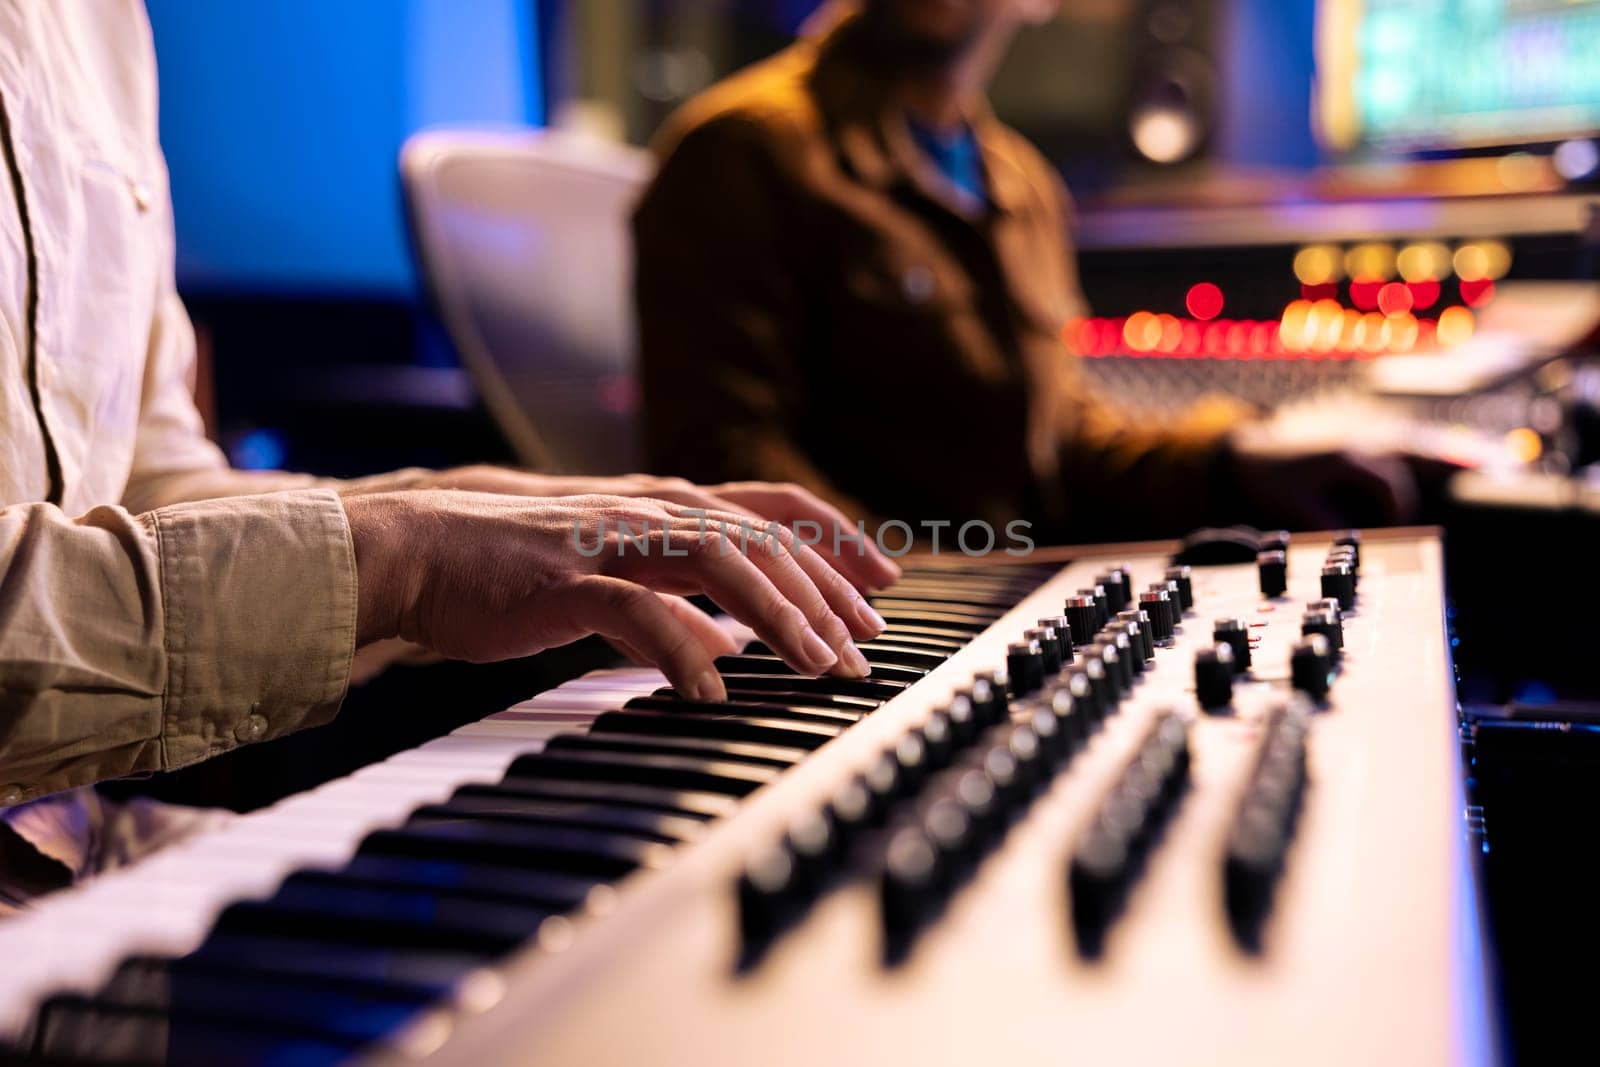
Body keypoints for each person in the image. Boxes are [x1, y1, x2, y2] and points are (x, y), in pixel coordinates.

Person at [0, 3, 898, 913]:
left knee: (650, 916)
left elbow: (144, 495)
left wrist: (475, 506)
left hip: (79, 837)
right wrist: (400, 556)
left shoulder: (101, 21)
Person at [635, 0, 1439, 543]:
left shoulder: (1021, 183)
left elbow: (1059, 448)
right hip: (869, 645)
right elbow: (726, 465)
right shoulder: (739, 150)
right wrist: (931, 591)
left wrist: (1234, 457)